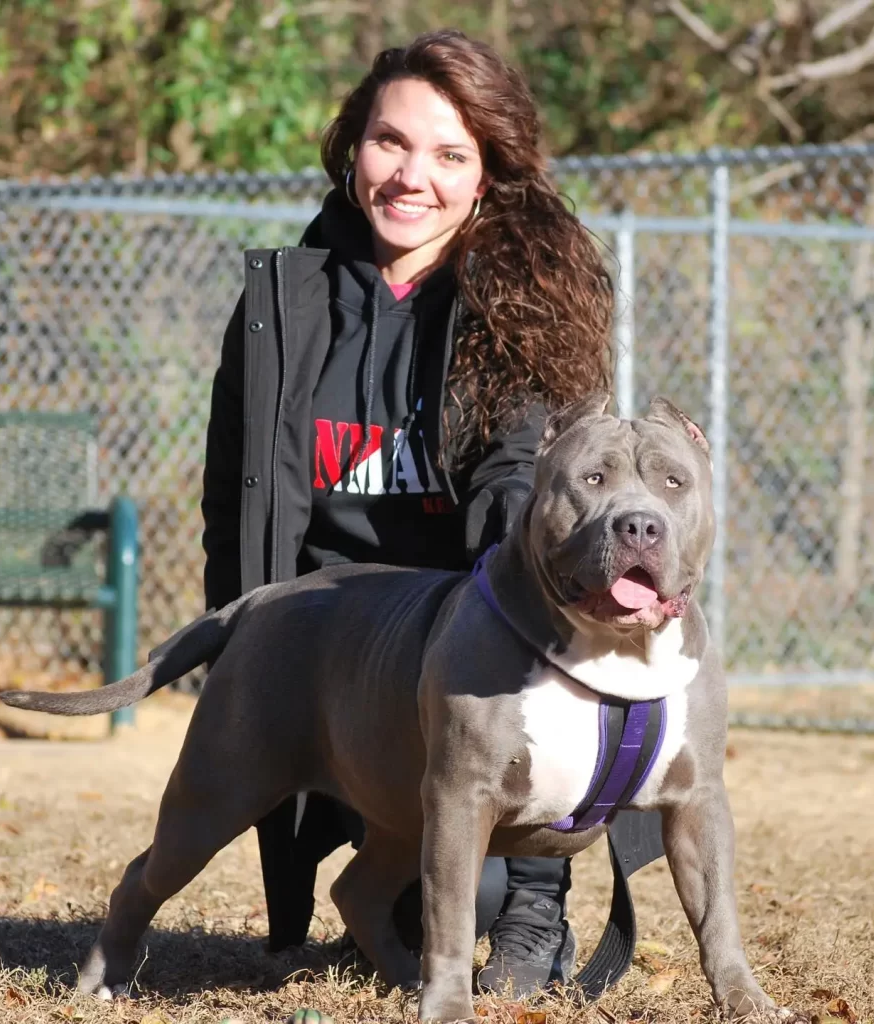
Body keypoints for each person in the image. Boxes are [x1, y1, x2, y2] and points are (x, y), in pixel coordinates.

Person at [200, 28, 614, 997]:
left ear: (487, 176)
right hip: (335, 660)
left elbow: (525, 489)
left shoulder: (526, 300)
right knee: (392, 916)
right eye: (390, 141)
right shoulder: (282, 302)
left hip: (472, 649)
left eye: (448, 154)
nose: (410, 175)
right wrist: (239, 648)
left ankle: (536, 883)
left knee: (459, 912)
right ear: (353, 146)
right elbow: (236, 497)